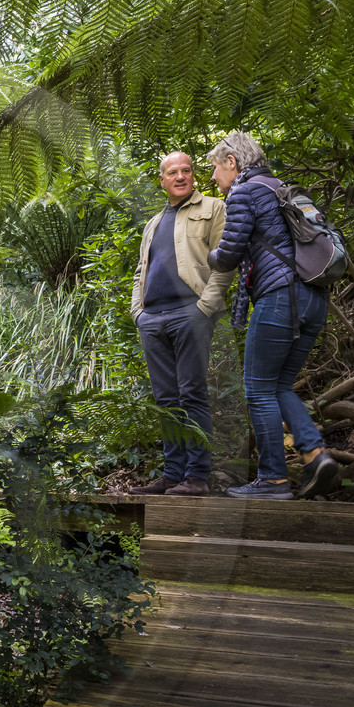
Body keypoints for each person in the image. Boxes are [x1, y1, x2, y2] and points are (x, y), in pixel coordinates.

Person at [206, 131, 340, 500]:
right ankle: (315, 454)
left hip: (280, 297)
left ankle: (273, 481)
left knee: (258, 388)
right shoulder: (280, 186)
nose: (214, 178)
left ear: (231, 162)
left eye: (215, 168)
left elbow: (230, 254)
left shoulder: (245, 191)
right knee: (279, 385)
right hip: (313, 298)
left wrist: (208, 254)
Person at [127, 151, 230, 497]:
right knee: (166, 399)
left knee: (192, 394)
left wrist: (205, 307)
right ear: (162, 180)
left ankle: (197, 477)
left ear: (194, 175)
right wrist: (138, 312)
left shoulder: (213, 208)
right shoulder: (153, 223)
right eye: (173, 172)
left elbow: (225, 260)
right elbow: (142, 270)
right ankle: (173, 475)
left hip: (190, 313)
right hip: (153, 318)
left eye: (186, 170)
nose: (180, 176)